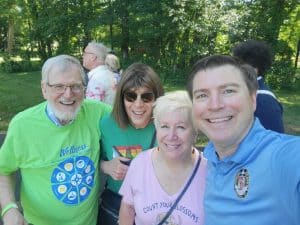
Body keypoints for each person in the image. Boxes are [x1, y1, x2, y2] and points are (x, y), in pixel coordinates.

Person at [186, 55, 300, 225]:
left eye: (228, 91)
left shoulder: (283, 157)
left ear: (253, 100)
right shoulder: (210, 157)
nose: (215, 105)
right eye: (202, 95)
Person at [0, 55, 111, 225]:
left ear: (84, 88)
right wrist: (9, 208)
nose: (68, 95)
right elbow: (3, 170)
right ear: (44, 89)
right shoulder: (22, 126)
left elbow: (133, 116)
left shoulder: (97, 113)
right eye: (59, 86)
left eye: (76, 86)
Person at [118, 90, 207, 225]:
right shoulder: (140, 164)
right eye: (164, 126)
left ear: (195, 132)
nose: (171, 136)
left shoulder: (210, 172)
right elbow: (128, 208)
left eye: (181, 127)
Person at [98, 62, 164, 225]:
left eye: (146, 97)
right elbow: (93, 160)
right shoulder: (106, 124)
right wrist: (106, 166)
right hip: (116, 204)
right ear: (122, 98)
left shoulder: (166, 125)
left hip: (154, 205)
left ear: (157, 98)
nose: (138, 104)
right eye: (131, 96)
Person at [232, 40, 284, 133]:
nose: (242, 68)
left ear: (259, 67)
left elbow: (275, 139)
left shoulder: (263, 99)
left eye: (251, 64)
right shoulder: (245, 89)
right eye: (240, 63)